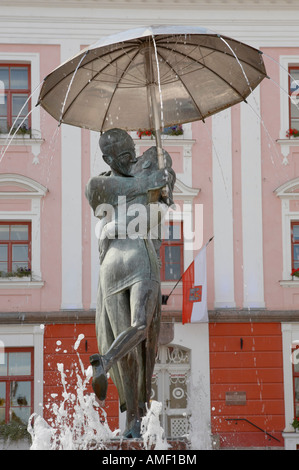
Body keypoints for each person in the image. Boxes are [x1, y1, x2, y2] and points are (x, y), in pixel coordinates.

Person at [85, 128, 175, 438]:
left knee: (130, 352)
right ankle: (106, 360)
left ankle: (131, 426)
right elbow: (157, 212)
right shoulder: (148, 177)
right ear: (109, 158)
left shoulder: (97, 184)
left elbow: (103, 208)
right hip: (139, 257)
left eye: (132, 153)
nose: (131, 159)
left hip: (110, 266)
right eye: (126, 156)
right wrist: (164, 183)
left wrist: (113, 225)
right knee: (141, 333)